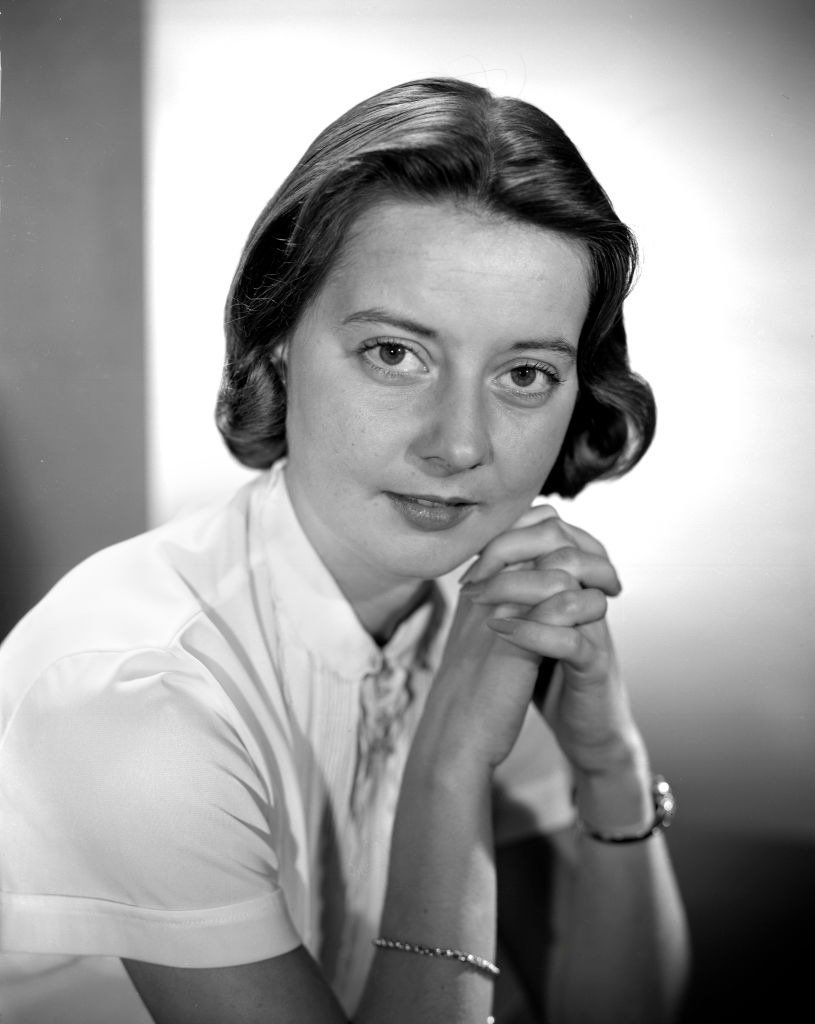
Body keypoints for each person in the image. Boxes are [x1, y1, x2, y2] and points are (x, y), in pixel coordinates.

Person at [0, 77, 689, 1023]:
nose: (458, 444)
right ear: (278, 340)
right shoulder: (133, 700)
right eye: (394, 354)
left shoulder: (476, 612)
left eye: (524, 373)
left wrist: (607, 753)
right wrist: (448, 765)